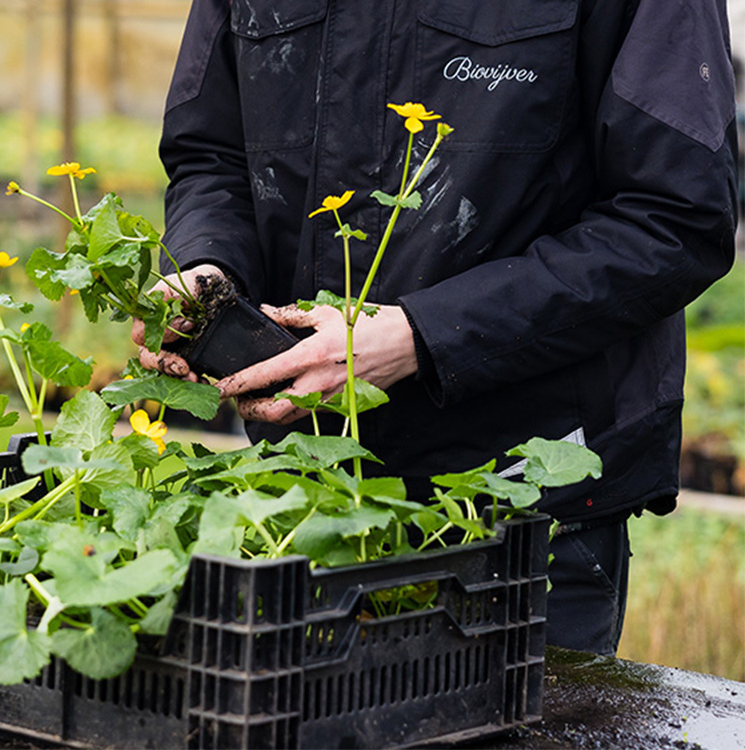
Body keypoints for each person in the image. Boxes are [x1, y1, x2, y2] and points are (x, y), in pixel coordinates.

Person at [133, 0, 738, 655]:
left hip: (526, 510)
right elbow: (212, 154)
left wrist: (424, 336)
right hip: (299, 497)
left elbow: (673, 218)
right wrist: (205, 265)